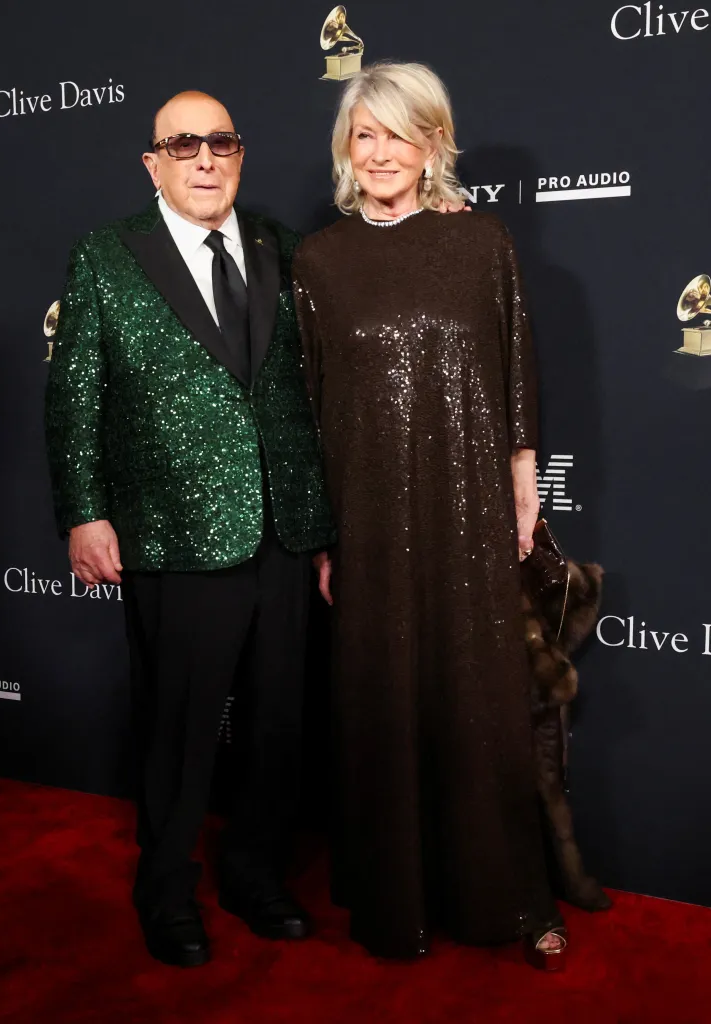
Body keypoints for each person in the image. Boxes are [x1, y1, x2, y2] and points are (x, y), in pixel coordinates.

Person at [45, 91, 335, 968]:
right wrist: (83, 511)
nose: (205, 159)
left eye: (221, 142)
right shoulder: (107, 253)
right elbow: (73, 393)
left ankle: (254, 874)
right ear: (153, 163)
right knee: (179, 726)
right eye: (184, 145)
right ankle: (165, 888)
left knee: (279, 722)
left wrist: (436, 211)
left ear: (239, 154)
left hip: (284, 527)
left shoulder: (281, 246)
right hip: (172, 531)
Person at [293, 62, 567, 967]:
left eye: (397, 134)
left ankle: (496, 896)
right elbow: (309, 405)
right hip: (365, 517)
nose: (379, 153)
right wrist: (324, 536)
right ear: (346, 148)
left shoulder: (481, 243)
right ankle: (392, 902)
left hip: (465, 509)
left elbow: (514, 374)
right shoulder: (319, 260)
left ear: (432, 144)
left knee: (475, 694)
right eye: (362, 135)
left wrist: (521, 495)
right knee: (380, 699)